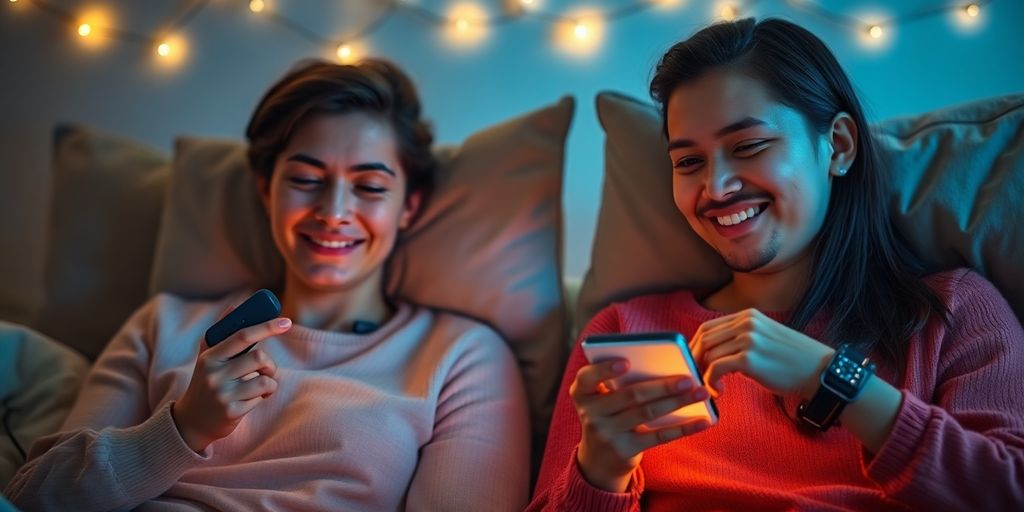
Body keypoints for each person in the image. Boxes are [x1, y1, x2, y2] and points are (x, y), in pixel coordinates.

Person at [529, 18, 1024, 511]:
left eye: (748, 147)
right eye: (688, 162)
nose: (717, 188)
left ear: (840, 145)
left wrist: (834, 379)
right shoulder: (624, 333)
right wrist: (600, 469)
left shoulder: (950, 312)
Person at [5, 59, 530, 511]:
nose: (334, 212)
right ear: (266, 189)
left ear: (408, 207)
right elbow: (32, 495)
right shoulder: (163, 323)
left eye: (369, 186)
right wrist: (183, 429)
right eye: (306, 179)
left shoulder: (462, 356)